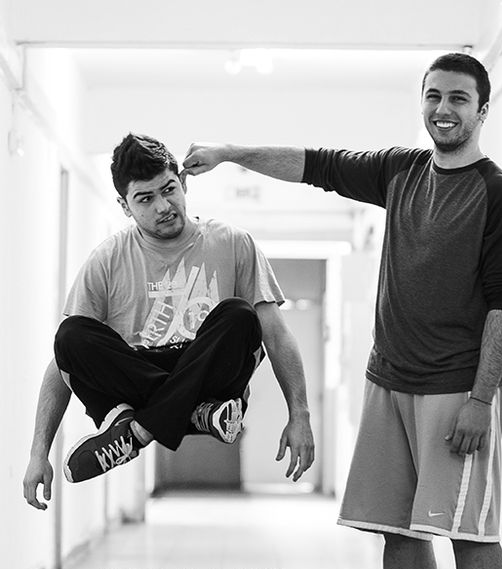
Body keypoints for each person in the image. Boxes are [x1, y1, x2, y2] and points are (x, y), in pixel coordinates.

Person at [182, 52, 502, 569]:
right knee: (397, 532)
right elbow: (314, 164)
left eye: (458, 98)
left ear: (482, 110)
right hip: (388, 380)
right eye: (433, 96)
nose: (443, 110)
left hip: (455, 389)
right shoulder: (400, 171)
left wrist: (481, 398)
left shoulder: (499, 195)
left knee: (469, 534)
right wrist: (229, 153)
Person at [23, 133, 314, 506]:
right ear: (125, 206)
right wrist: (38, 452)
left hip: (213, 380)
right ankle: (194, 414)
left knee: (239, 315)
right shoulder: (108, 259)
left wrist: (300, 414)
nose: (163, 206)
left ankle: (138, 432)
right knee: (70, 335)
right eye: (145, 199)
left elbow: (276, 335)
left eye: (168, 189)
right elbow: (62, 361)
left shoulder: (233, 242)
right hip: (151, 381)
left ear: (183, 183)